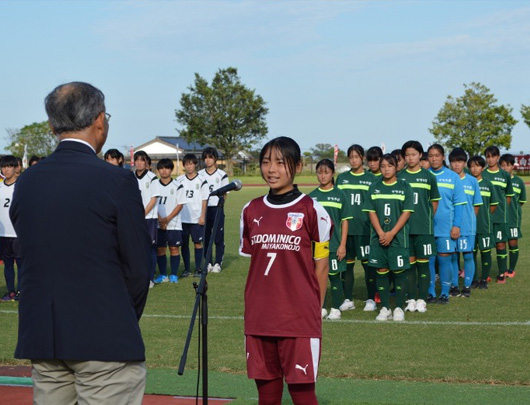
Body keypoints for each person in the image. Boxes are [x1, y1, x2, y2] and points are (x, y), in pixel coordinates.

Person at [10, 82, 150, 404]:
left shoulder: (28, 181)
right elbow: (138, 269)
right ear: (100, 120)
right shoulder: (116, 179)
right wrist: (116, 316)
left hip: (44, 336)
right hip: (104, 339)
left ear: (51, 125)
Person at [240, 136, 331, 404]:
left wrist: (314, 311)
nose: (272, 169)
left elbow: (322, 265)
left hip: (298, 318)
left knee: (303, 394)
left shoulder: (313, 210)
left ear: (298, 166)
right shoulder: (250, 209)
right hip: (259, 317)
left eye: (281, 163)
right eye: (266, 162)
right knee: (266, 394)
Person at [364, 154, 414, 321]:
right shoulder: (374, 187)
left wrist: (392, 233)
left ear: (396, 167)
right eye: (383, 166)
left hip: (398, 238)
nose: (386, 169)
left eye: (389, 166)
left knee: (399, 272)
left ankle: (399, 307)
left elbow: (406, 213)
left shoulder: (405, 187)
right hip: (378, 238)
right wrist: (380, 233)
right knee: (381, 271)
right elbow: (371, 212)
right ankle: (385, 308)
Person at [398, 141, 440, 313]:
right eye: (407, 155)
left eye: (414, 154)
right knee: (409, 265)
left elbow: (434, 201)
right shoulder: (400, 177)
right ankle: (411, 299)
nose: (410, 157)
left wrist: (426, 218)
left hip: (424, 229)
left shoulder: (429, 176)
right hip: (404, 230)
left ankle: (422, 299)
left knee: (423, 264)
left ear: (420, 155)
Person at [336, 144, 378, 312]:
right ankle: (347, 298)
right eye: (351, 157)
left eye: (356, 157)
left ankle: (371, 298)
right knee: (347, 266)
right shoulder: (342, 178)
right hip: (346, 230)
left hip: (365, 230)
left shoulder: (372, 179)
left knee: (368, 266)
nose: (354, 160)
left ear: (362, 158)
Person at [309, 159, 352, 320]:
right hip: (317, 246)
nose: (323, 176)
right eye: (320, 172)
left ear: (332, 174)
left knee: (334, 276)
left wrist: (342, 245)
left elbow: (345, 221)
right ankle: (319, 307)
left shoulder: (340, 195)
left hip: (334, 245)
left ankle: (335, 307)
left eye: (326, 172)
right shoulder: (312, 197)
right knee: (317, 277)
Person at [427, 144, 467, 304]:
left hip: (446, 228)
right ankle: (430, 293)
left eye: (437, 155)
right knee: (428, 261)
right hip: (426, 229)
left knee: (444, 260)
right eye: (430, 155)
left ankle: (444, 293)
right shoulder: (424, 175)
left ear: (443, 157)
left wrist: (456, 225)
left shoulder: (453, 177)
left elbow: (459, 204)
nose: (434, 158)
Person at [448, 148, 482, 297]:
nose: (456, 165)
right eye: (453, 162)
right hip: (449, 226)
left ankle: (467, 286)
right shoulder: (447, 179)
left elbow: (476, 205)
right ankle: (454, 286)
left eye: (459, 161)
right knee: (453, 256)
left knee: (468, 255)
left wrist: (469, 220)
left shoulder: (472, 181)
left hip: (467, 227)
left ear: (464, 163)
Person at [481, 146, 514, 284]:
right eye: (487, 156)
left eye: (493, 156)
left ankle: (502, 273)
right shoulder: (482, 174)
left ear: (498, 157)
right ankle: (485, 274)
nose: (490, 159)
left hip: (500, 217)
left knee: (501, 245)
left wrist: (501, 210)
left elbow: (508, 196)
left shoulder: (505, 175)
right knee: (485, 247)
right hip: (485, 218)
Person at [468, 155, 499, 289]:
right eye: (472, 166)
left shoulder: (488, 184)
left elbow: (493, 205)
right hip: (470, 226)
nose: (474, 169)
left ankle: (484, 279)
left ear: (483, 167)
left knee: (486, 252)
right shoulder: (466, 183)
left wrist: (485, 216)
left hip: (484, 226)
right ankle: (474, 279)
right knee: (471, 253)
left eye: (477, 166)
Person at [154, 158, 186, 284]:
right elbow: (151, 202)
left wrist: (167, 219)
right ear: (158, 170)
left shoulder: (178, 185)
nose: (164, 170)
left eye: (167, 168)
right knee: (160, 249)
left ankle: (173, 274)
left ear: (171, 170)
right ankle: (163, 275)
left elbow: (180, 205)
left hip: (174, 223)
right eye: (161, 168)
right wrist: (160, 219)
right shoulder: (154, 185)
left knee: (174, 249)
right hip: (158, 223)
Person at [176, 153, 208, 277]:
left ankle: (199, 268)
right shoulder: (179, 180)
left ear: (195, 164)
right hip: (182, 218)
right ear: (184, 166)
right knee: (184, 244)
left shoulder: (201, 180)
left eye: (191, 164)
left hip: (196, 218)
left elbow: (204, 200)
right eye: (187, 164)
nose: (189, 167)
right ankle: (187, 269)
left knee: (197, 243)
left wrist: (202, 216)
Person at [198, 147, 229, 273]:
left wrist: (220, 206)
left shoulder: (222, 175)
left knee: (218, 237)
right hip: (204, 209)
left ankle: (218, 263)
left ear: (215, 158)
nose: (208, 160)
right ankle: (209, 262)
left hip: (217, 208)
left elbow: (225, 193)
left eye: (210, 157)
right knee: (206, 237)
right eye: (205, 157)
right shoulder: (200, 174)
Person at [134, 150, 161, 287]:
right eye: (137, 160)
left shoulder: (152, 178)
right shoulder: (130, 177)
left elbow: (153, 199)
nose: (139, 163)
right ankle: (138, 277)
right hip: (134, 218)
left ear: (146, 163)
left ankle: (150, 278)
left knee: (150, 248)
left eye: (142, 160)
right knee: (135, 248)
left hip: (148, 218)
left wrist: (142, 213)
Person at [499, 153, 526, 278]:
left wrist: (512, 211)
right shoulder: (498, 180)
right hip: (500, 219)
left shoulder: (518, 182)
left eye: (507, 165)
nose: (505, 168)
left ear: (512, 167)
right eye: (502, 165)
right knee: (501, 243)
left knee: (513, 243)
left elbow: (521, 201)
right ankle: (503, 270)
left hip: (513, 219)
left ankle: (511, 270)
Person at [0, 155, 23, 301]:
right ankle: (10, 292)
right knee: (7, 265)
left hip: (18, 233)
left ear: (16, 168)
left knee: (21, 264)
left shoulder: (21, 186)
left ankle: (21, 291)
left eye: (9, 166)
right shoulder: (0, 187)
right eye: (4, 166)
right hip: (2, 234)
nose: (6, 169)